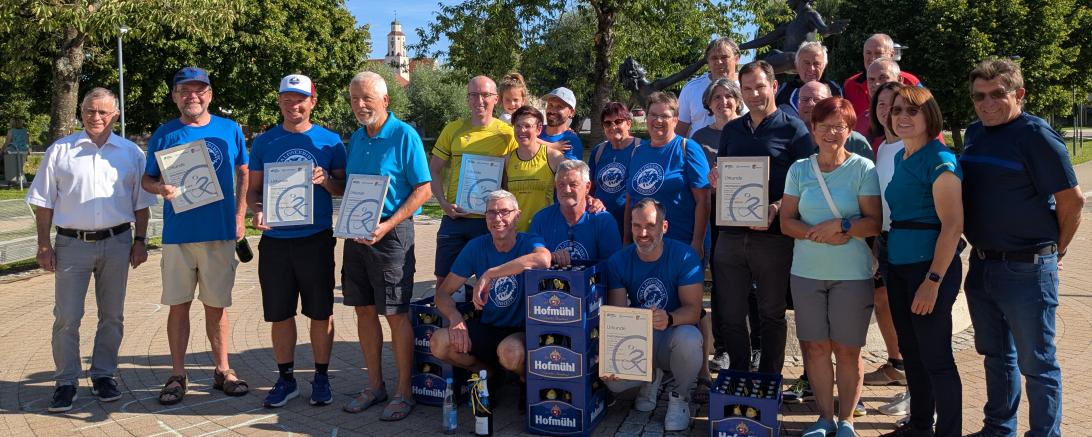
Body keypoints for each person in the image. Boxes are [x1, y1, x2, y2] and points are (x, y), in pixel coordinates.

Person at [961, 59, 1083, 437]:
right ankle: (999, 428)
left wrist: (1055, 253)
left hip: (1028, 269)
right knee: (996, 358)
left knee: (1038, 363)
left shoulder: (1036, 136)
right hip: (983, 266)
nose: (987, 103)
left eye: (997, 94)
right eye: (979, 96)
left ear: (1019, 94)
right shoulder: (975, 133)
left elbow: (1072, 201)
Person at [27, 88, 157, 413]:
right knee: (67, 317)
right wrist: (44, 245)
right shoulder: (61, 151)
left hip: (118, 243)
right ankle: (66, 381)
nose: (95, 117)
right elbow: (44, 203)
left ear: (115, 115)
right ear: (81, 113)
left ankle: (103, 375)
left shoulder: (131, 153)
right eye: (88, 111)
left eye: (102, 112)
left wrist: (140, 241)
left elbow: (142, 205)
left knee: (112, 316)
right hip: (71, 245)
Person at [142, 67, 251, 405]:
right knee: (178, 306)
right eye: (184, 90)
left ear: (210, 94)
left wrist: (239, 215)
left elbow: (244, 172)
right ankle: (177, 373)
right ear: (175, 96)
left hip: (219, 232)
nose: (192, 96)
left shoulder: (230, 130)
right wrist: (161, 187)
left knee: (217, 307)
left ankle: (222, 370)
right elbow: (147, 181)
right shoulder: (164, 133)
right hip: (179, 235)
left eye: (199, 90)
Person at [780, 97, 882, 437]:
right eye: (824, 126)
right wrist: (819, 234)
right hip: (807, 271)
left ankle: (847, 421)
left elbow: (874, 222)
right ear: (813, 129)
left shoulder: (863, 169)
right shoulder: (799, 170)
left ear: (849, 130)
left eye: (839, 126)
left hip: (851, 274)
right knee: (816, 347)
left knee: (848, 349)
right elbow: (786, 222)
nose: (831, 133)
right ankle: (824, 418)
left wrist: (844, 226)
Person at [245, 74, 346, 408]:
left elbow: (343, 189)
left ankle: (321, 376)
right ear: (280, 102)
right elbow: (253, 189)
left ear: (313, 102)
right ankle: (286, 378)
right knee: (280, 313)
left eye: (300, 99)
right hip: (275, 240)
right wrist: (256, 210)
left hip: (315, 239)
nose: (294, 105)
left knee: (320, 313)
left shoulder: (331, 142)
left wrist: (327, 180)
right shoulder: (263, 142)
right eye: (287, 99)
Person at [339, 71, 433, 420]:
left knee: (396, 313)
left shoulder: (405, 135)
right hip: (356, 237)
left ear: (385, 101)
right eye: (354, 99)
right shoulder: (356, 138)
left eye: (366, 98)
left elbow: (423, 189)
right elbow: (352, 188)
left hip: (392, 236)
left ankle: (403, 392)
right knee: (363, 310)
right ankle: (375, 386)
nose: (360, 105)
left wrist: (387, 225)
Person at [713, 60, 814, 375]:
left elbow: (807, 183)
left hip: (773, 238)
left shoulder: (793, 129)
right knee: (730, 313)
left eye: (760, 86)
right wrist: (718, 178)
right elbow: (727, 177)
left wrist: (776, 207)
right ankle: (740, 377)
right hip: (730, 235)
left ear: (773, 87)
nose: (754, 94)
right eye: (747, 88)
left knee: (771, 313)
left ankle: (769, 379)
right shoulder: (731, 130)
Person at [879, 86, 963, 437]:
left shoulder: (939, 160)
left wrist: (932, 280)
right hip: (898, 265)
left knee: (937, 358)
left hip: (928, 269)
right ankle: (919, 425)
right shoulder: (902, 156)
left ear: (930, 115)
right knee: (912, 353)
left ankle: (948, 431)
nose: (902, 116)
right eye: (897, 110)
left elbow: (953, 226)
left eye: (912, 111)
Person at [429, 190, 551, 390]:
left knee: (510, 352)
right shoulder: (476, 246)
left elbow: (544, 259)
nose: (498, 218)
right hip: (488, 326)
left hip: (520, 330)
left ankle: (525, 382)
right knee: (438, 343)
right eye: (491, 213)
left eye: (504, 212)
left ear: (517, 215)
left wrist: (490, 274)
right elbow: (442, 293)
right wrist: (455, 317)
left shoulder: (528, 241)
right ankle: (487, 373)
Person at [602, 198, 705, 432]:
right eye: (636, 226)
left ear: (664, 227)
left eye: (650, 225)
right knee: (612, 383)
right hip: (641, 337)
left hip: (672, 335)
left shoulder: (684, 256)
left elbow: (694, 311)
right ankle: (650, 378)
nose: (643, 233)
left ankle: (679, 397)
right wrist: (613, 353)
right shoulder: (619, 260)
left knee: (689, 339)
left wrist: (669, 318)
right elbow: (619, 314)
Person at [429, 76, 518, 288]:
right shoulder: (453, 129)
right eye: (474, 95)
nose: (480, 100)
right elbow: (433, 169)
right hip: (456, 217)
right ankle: (448, 321)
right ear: (468, 99)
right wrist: (442, 203)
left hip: (491, 221)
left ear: (496, 99)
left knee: (491, 283)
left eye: (485, 95)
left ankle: (485, 321)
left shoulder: (507, 133)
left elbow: (523, 161)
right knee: (444, 282)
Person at [689, 79, 750, 374]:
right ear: (708, 103)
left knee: (751, 284)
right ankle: (723, 347)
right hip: (714, 216)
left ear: (738, 100)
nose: (723, 102)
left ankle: (754, 347)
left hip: (746, 216)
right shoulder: (699, 136)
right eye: (717, 97)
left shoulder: (750, 128)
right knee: (721, 284)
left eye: (728, 96)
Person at [624, 91, 710, 260]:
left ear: (675, 120)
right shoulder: (637, 152)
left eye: (665, 116)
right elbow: (630, 200)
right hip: (643, 246)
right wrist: (627, 240)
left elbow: (704, 200)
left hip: (681, 245)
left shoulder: (688, 148)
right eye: (653, 115)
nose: (658, 121)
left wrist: (697, 242)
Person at [866, 81, 911, 398]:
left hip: (909, 242)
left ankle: (917, 394)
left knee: (910, 316)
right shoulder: (882, 146)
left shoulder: (913, 147)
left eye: (893, 105)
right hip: (884, 240)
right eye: (881, 105)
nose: (887, 112)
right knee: (886, 304)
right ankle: (898, 365)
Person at [530, 159, 621, 266]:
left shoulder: (603, 220)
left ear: (587, 187)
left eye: (573, 184)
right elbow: (532, 258)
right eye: (561, 184)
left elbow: (613, 267)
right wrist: (549, 256)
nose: (566, 190)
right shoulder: (541, 219)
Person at [844, 34, 922, 135]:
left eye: (878, 53)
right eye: (868, 53)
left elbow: (927, 116)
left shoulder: (910, 82)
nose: (872, 58)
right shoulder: (850, 85)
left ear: (892, 54)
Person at [505, 105, 566, 231]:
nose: (522, 130)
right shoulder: (507, 160)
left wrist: (590, 199)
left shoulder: (553, 157)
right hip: (515, 234)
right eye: (518, 126)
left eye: (527, 126)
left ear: (538, 129)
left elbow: (575, 181)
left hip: (545, 231)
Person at [588, 102, 639, 236]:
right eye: (607, 123)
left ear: (628, 123)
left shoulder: (641, 149)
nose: (613, 126)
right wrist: (592, 201)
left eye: (618, 121)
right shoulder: (598, 151)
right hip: (601, 224)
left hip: (633, 226)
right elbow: (588, 188)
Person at [791, 81, 874, 161]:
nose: (810, 104)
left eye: (817, 100)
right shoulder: (789, 139)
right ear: (797, 104)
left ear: (831, 103)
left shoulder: (854, 142)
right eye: (804, 99)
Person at [678, 37, 743, 137]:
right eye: (714, 58)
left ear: (737, 58)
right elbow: (680, 131)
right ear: (707, 61)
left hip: (742, 151)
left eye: (724, 57)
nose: (719, 62)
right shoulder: (691, 89)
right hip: (700, 150)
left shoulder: (748, 86)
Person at [775, 41, 844, 108]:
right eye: (807, 63)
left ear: (824, 66)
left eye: (816, 64)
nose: (811, 69)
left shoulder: (835, 90)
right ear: (796, 65)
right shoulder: (781, 92)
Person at [539, 87, 584, 161]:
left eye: (559, 106)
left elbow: (568, 171)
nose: (552, 111)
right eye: (550, 105)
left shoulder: (570, 142)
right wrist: (552, 146)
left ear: (571, 112)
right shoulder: (535, 130)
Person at [3, 117, 29, 185]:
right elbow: (27, 142)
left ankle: (14, 180)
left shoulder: (11, 131)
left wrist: (2, 150)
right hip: (23, 151)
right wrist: (28, 150)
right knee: (20, 167)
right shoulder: (25, 130)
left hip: (13, 151)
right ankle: (20, 181)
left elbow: (7, 143)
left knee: (13, 166)